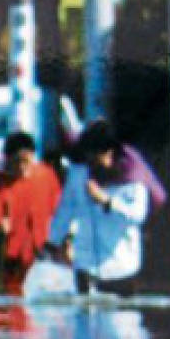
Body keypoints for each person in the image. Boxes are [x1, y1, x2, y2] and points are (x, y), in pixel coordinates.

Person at [47, 120, 151, 296]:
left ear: (110, 153)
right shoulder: (79, 174)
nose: (91, 164)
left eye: (95, 158)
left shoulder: (132, 177)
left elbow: (137, 216)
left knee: (120, 322)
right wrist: (52, 242)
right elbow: (66, 208)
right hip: (85, 266)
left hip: (120, 268)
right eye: (88, 158)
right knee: (83, 320)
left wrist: (107, 202)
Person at [0, 131, 62, 295]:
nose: (22, 167)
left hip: (36, 250)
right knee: (3, 299)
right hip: (5, 255)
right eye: (17, 162)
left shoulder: (45, 176)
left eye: (26, 161)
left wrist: (65, 237)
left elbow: (58, 207)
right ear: (8, 160)